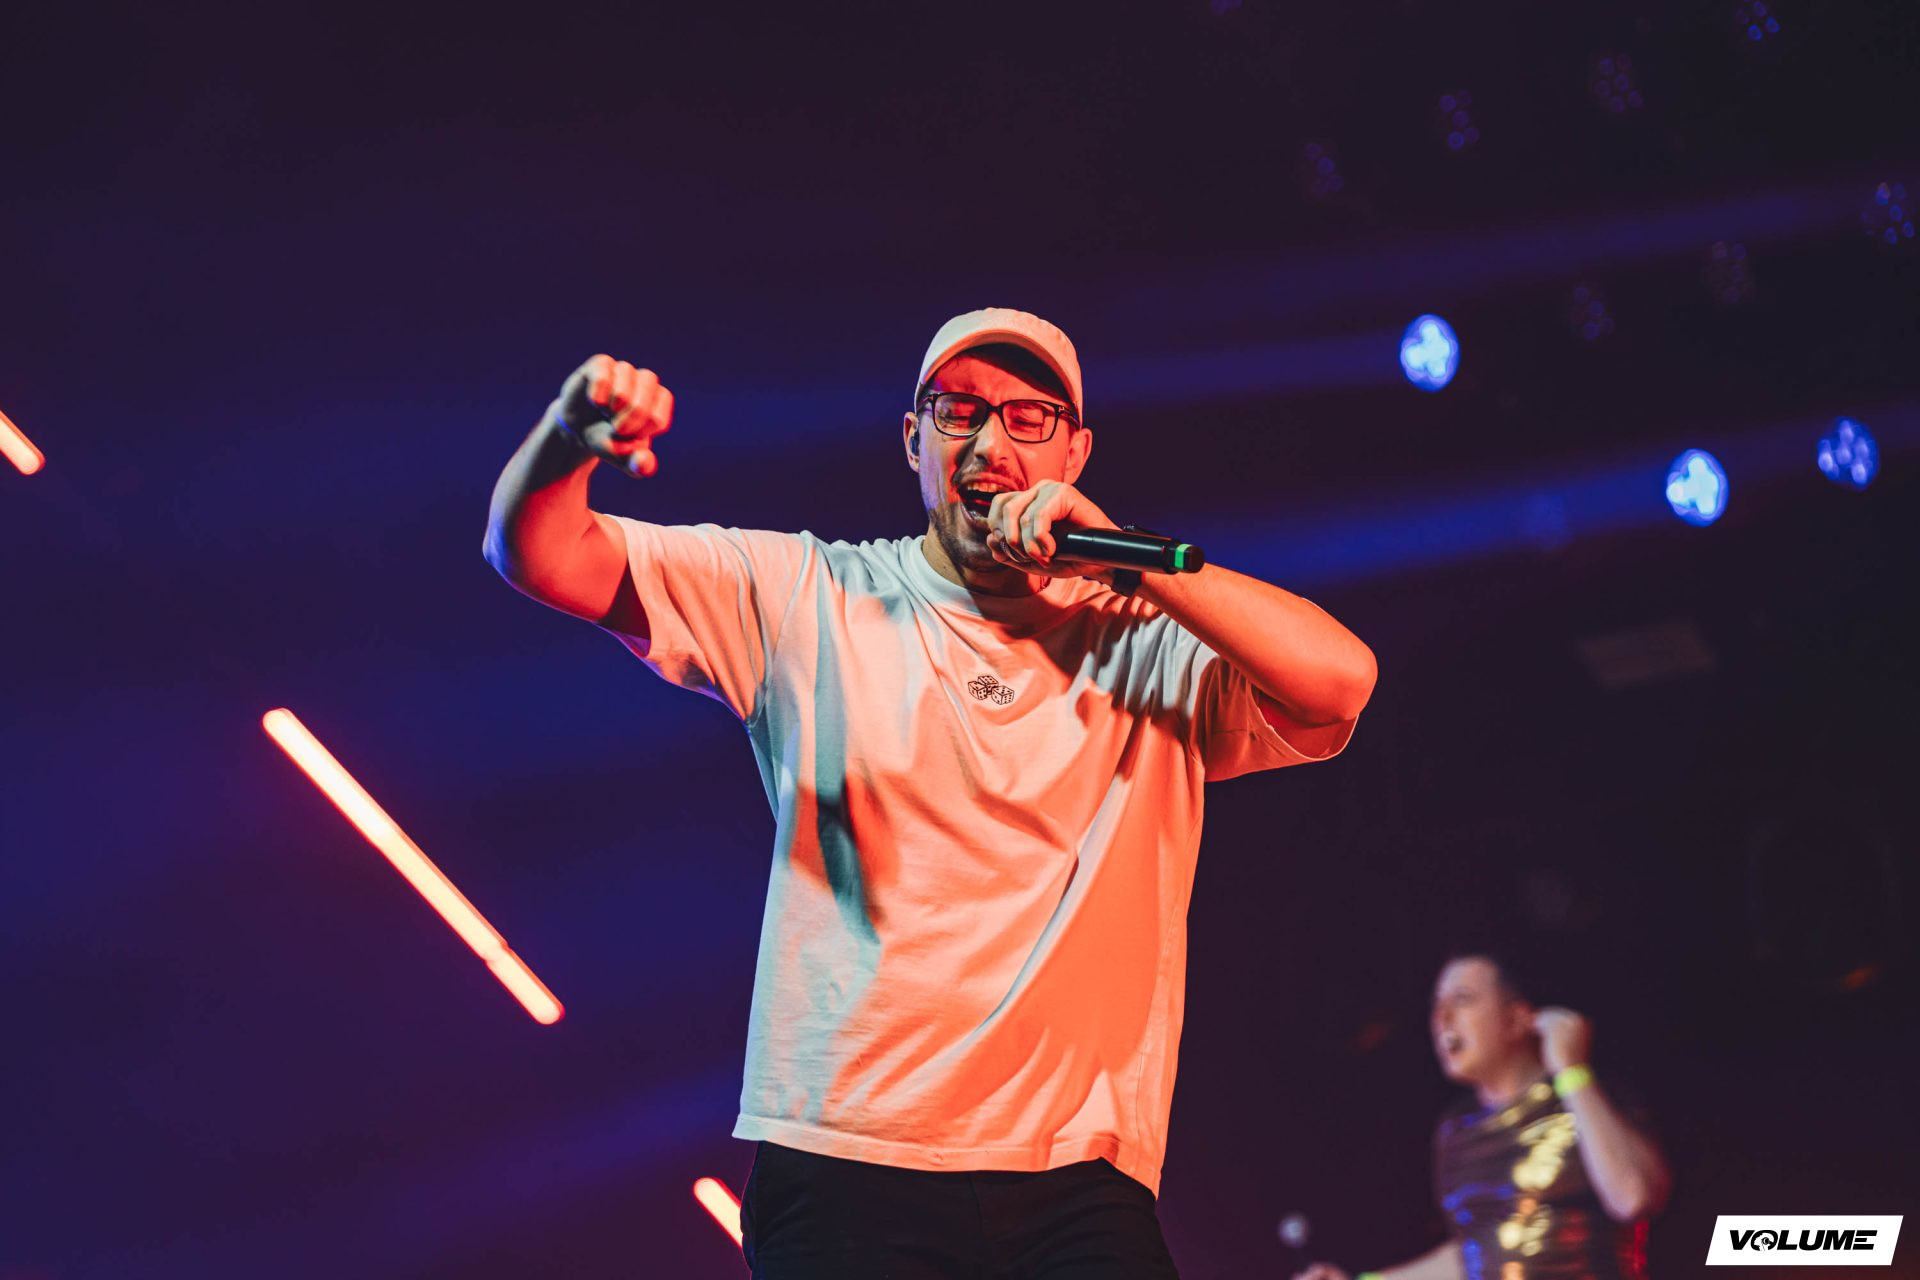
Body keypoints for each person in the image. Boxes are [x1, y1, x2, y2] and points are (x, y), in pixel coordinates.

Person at [484, 308, 1377, 1278]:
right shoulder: (810, 594)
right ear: (915, 440)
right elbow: (541, 554)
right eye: (960, 412)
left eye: (1029, 418)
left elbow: (1340, 681)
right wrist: (567, 438)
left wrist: (1125, 553)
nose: (990, 444)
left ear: (1075, 453)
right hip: (847, 1160)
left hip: (1075, 1175)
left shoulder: (1146, 641)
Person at [1292, 952, 1672, 1280]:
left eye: (1462, 999)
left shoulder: (1587, 1100)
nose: (1442, 1017)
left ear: (1517, 1019)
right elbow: (1474, 1255)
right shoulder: (1456, 1131)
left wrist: (1571, 1070)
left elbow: (1633, 1197)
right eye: (1436, 1004)